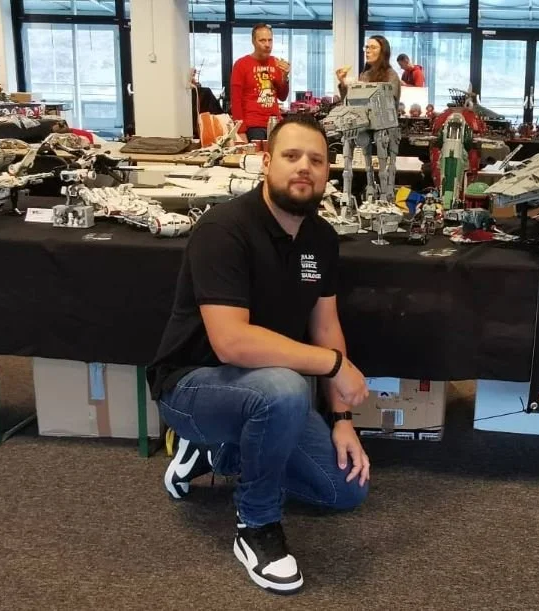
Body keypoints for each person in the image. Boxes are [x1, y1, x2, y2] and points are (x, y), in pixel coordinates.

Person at [147, 113, 371, 595]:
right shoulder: (224, 229)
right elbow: (231, 342)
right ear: (267, 162)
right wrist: (334, 366)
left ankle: (218, 452)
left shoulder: (321, 239)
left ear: (327, 172)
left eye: (316, 160)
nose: (304, 167)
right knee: (285, 388)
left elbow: (326, 326)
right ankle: (256, 525)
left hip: (266, 391)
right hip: (193, 383)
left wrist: (342, 419)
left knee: (346, 490)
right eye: (291, 156)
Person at [230, 23, 291, 141]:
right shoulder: (241, 64)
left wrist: (285, 77)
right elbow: (236, 101)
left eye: (270, 40)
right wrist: (240, 131)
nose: (267, 45)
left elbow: (282, 97)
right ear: (253, 41)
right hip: (253, 125)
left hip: (275, 122)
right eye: (262, 40)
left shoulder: (276, 62)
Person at [335, 35, 401, 105]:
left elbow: (389, 104)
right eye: (367, 47)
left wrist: (365, 89)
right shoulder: (364, 75)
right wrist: (343, 82)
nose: (367, 51)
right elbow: (349, 104)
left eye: (373, 47)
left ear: (383, 51)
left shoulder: (391, 75)